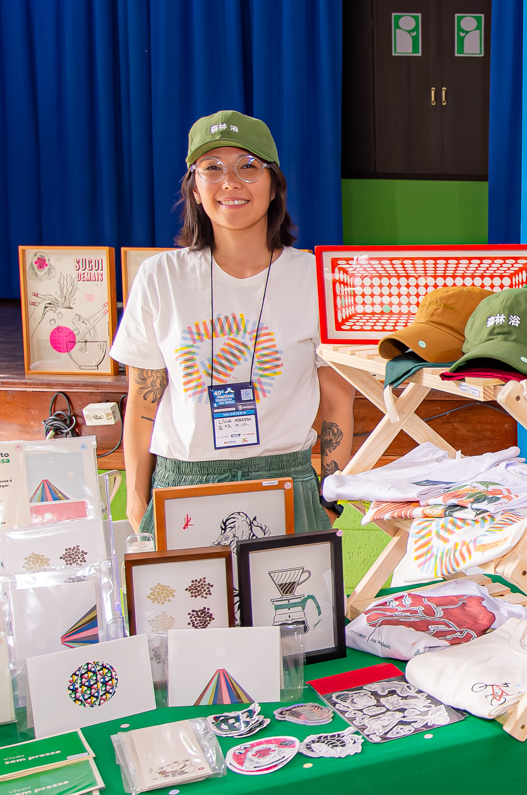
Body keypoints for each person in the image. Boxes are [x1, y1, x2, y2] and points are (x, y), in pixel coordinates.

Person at [109, 110, 356, 540]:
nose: (230, 182)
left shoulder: (317, 280)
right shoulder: (160, 276)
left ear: (274, 185)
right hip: (183, 482)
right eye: (212, 168)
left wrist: (330, 498)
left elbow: (338, 402)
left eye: (248, 166)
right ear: (195, 188)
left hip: (286, 480)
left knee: (290, 587)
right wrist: (135, 494)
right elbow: (143, 400)